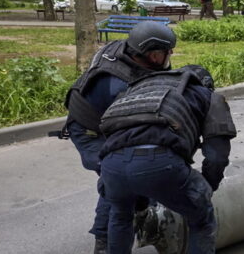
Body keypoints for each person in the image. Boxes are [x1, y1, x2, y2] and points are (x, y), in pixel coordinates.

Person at [62, 21, 177, 253]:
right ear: (154, 55)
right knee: (118, 178)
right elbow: (135, 130)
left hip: (102, 121)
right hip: (90, 132)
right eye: (167, 51)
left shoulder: (127, 52)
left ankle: (136, 218)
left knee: (129, 175)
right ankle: (104, 242)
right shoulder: (121, 86)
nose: (170, 56)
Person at [98, 64, 236, 254]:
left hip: (111, 163)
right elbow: (217, 156)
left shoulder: (139, 90)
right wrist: (205, 188)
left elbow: (110, 131)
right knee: (202, 219)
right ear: (206, 84)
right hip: (159, 161)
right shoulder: (208, 96)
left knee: (121, 216)